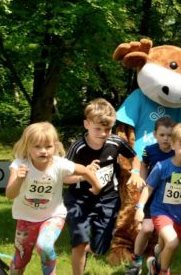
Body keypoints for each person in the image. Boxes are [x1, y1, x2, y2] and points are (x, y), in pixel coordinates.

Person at [7, 122, 102, 275]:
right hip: (25, 218)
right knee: (21, 258)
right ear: (27, 146)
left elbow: (84, 170)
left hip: (53, 216)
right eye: (37, 146)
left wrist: (97, 186)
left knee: (44, 246)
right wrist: (18, 179)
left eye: (48, 146)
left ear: (55, 146)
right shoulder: (19, 165)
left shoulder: (59, 163)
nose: (43, 151)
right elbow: (10, 195)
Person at [63, 99, 139, 275]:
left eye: (108, 129)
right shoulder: (78, 147)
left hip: (108, 199)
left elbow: (133, 156)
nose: (103, 133)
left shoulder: (115, 142)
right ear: (86, 124)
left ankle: (90, 249)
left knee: (100, 247)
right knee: (79, 241)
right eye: (98, 129)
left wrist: (135, 171)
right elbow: (64, 178)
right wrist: (83, 173)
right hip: (79, 200)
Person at [134, 122, 181, 275]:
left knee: (163, 246)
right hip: (161, 211)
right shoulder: (162, 166)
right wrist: (140, 208)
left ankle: (155, 263)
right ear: (173, 145)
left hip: (180, 215)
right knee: (172, 242)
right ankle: (162, 270)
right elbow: (149, 188)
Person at [128, 117, 177, 274]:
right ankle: (136, 260)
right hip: (151, 194)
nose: (166, 139)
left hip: (169, 199)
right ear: (155, 134)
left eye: (170, 136)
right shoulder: (149, 150)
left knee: (165, 234)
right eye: (162, 135)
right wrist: (142, 179)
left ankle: (159, 260)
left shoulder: (177, 152)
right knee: (147, 229)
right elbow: (144, 164)